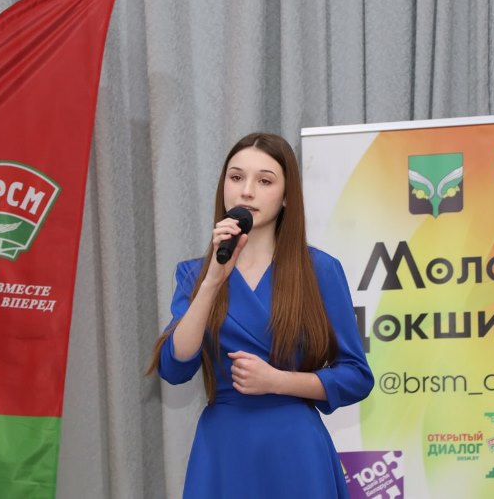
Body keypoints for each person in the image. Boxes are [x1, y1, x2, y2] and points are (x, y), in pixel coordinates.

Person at [148, 132, 374, 498]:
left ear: (286, 197)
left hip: (296, 449)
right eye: (236, 177)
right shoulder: (195, 275)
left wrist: (278, 381)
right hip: (224, 449)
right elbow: (175, 368)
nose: (247, 191)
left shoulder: (319, 270)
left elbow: (356, 376)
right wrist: (212, 281)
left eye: (264, 181)